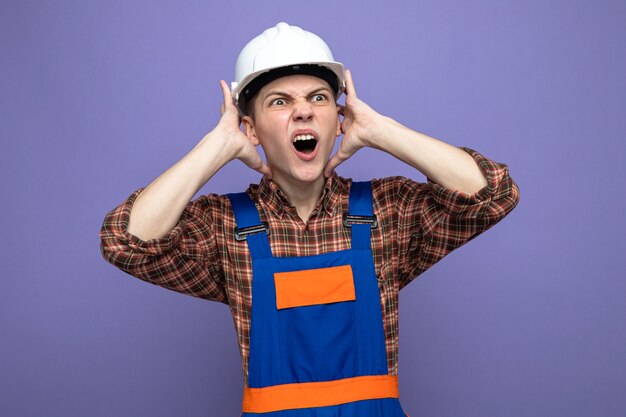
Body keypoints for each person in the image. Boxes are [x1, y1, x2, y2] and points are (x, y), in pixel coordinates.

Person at [100, 22, 520, 417]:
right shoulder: (223, 227)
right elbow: (125, 241)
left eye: (318, 98)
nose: (303, 112)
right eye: (279, 102)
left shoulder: (387, 212)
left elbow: (493, 195)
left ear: (338, 120)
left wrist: (381, 130)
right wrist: (216, 145)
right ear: (251, 129)